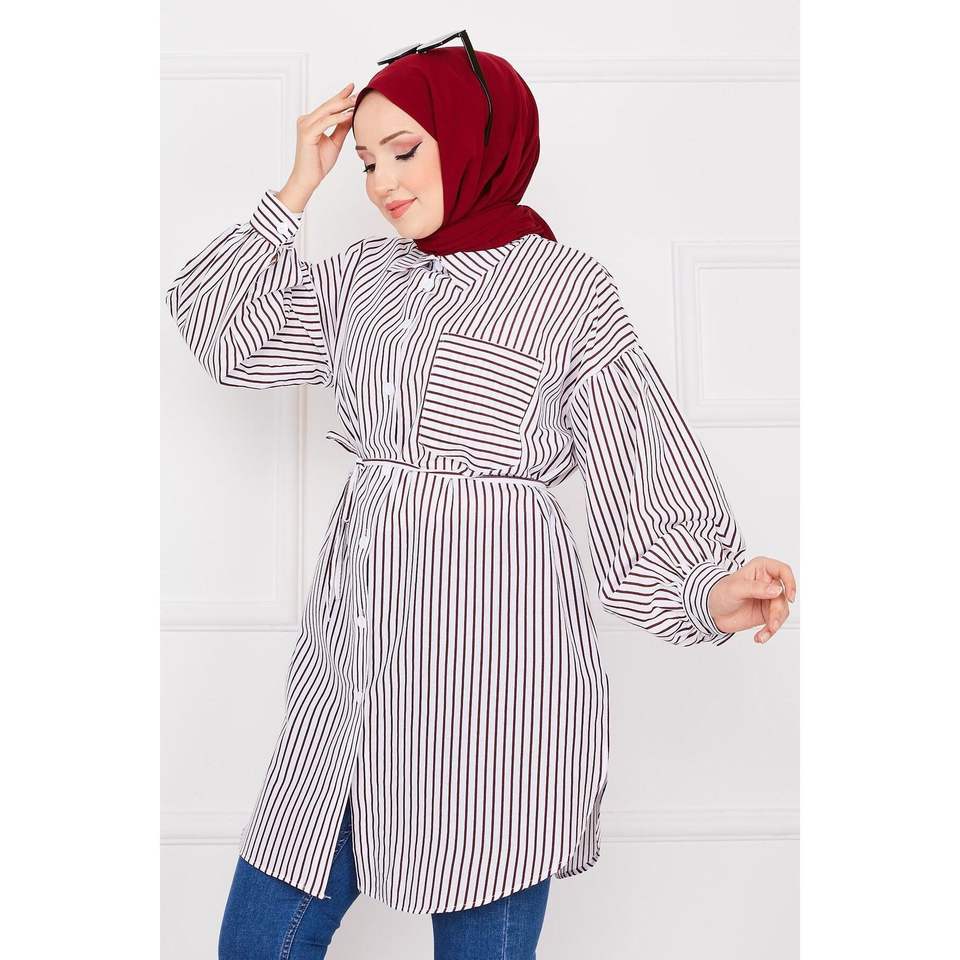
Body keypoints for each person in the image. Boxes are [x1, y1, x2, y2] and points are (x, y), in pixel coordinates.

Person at [166, 44, 796, 960]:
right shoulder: (364, 278)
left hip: (496, 676)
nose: (382, 182)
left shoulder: (565, 290)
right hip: (353, 666)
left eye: (404, 150)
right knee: (258, 940)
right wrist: (298, 186)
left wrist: (709, 586)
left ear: (474, 139)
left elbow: (640, 456)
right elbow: (225, 335)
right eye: (367, 160)